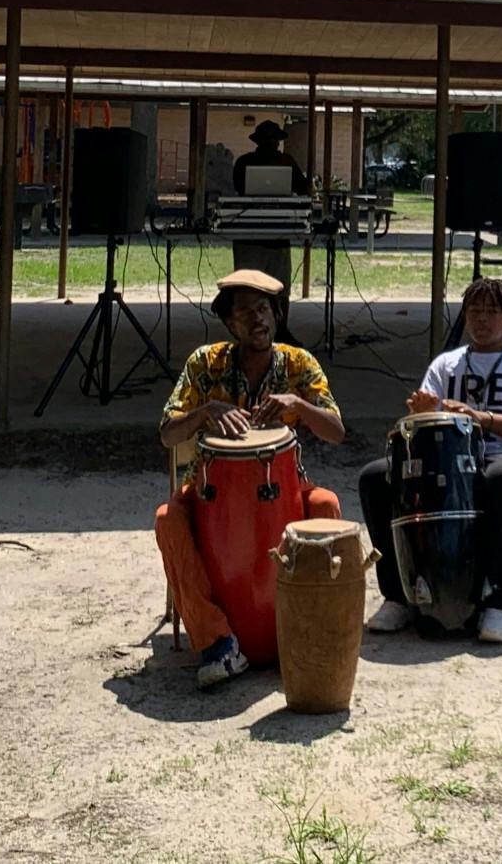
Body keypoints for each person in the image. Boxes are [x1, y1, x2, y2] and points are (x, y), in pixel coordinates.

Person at [155, 269, 345, 689]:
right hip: (210, 490)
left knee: (326, 506)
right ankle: (216, 642)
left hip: (285, 488)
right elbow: (168, 432)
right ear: (229, 323)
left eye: (264, 310)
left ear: (276, 314)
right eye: (245, 314)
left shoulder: (299, 363)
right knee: (168, 517)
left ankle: (308, 633)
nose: (258, 320)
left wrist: (298, 402)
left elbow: (336, 430)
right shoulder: (205, 363)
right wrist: (205, 412)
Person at [359, 277, 502, 646]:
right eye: (474, 311)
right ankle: (398, 594)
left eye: (492, 312)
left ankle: (500, 601)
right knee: (374, 477)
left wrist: (480, 418)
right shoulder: (446, 364)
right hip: (444, 462)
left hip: (501, 456)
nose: (482, 319)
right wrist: (422, 412)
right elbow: (423, 424)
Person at [233, 118, 309, 196]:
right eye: (267, 140)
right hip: (280, 207)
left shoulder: (244, 161)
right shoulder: (286, 161)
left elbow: (301, 186)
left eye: (273, 139)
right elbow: (302, 188)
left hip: (254, 206)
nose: (270, 142)